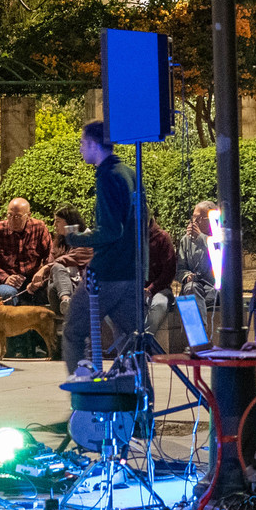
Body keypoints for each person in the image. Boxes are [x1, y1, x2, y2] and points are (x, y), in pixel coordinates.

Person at [60, 121, 146, 376]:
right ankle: (138, 401)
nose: (80, 149)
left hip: (108, 272)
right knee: (132, 341)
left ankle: (84, 399)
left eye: (82, 143)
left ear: (95, 145)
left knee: (74, 332)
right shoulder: (129, 172)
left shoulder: (108, 177)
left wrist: (76, 239)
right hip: (132, 269)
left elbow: (111, 231)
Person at [31, 205, 94, 323]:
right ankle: (67, 302)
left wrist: (45, 267)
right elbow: (51, 266)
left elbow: (73, 257)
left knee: (57, 266)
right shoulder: (59, 242)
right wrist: (36, 282)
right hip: (58, 294)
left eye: (58, 221)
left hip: (81, 290)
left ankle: (67, 302)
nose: (54, 225)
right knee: (54, 278)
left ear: (69, 222)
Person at [0, 198, 51, 306]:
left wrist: (43, 271)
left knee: (49, 291)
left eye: (17, 216)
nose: (13, 220)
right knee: (10, 293)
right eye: (9, 215)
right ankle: (14, 321)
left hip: (30, 279)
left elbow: (50, 256)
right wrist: (6, 278)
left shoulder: (39, 228)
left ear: (28, 215)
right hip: (2, 280)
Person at [177, 201, 216, 292]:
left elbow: (219, 255)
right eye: (194, 217)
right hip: (193, 286)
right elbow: (179, 269)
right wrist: (187, 276)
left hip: (212, 287)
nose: (194, 222)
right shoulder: (186, 240)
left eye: (199, 218)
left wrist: (201, 237)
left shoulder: (218, 238)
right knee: (191, 288)